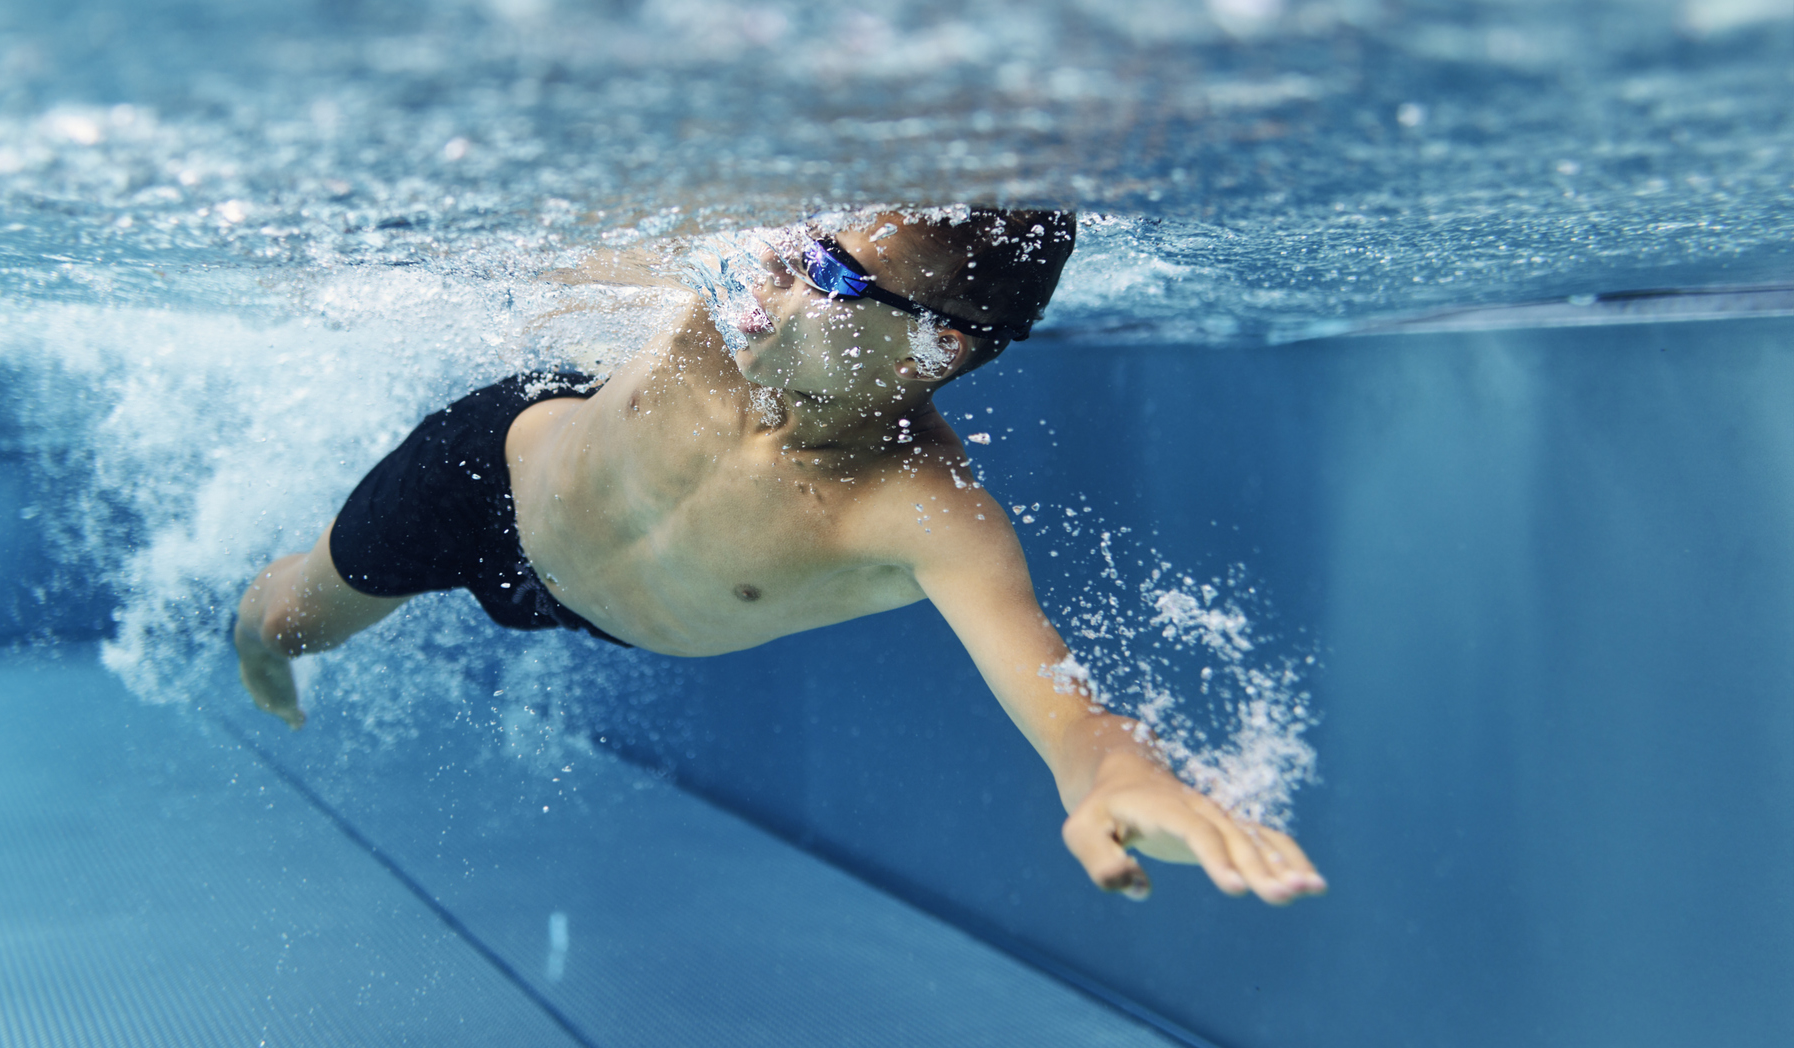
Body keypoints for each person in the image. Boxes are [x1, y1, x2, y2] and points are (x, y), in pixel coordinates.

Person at [233, 207, 1326, 905]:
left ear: (940, 341)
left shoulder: (920, 511)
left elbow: (1071, 719)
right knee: (284, 622)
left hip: (599, 604)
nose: (774, 286)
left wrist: (1119, 779)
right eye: (801, 253)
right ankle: (257, 639)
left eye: (834, 280)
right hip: (489, 479)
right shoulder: (724, 303)